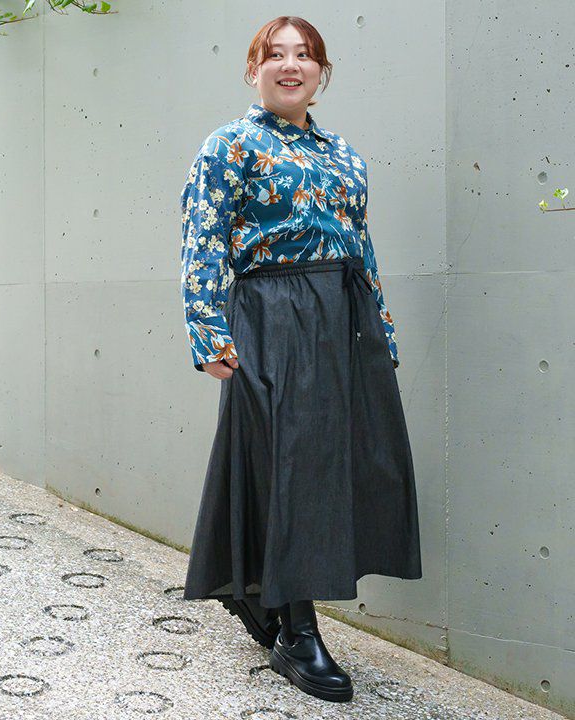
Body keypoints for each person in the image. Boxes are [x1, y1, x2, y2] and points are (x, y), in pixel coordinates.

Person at [179, 15, 422, 704]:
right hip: (270, 313)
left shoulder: (345, 155)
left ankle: (258, 590)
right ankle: (298, 630)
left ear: (322, 73)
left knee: (340, 462)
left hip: (343, 317)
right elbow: (202, 236)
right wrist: (209, 333)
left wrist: (380, 331)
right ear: (253, 70)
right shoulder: (229, 145)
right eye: (276, 55)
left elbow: (361, 246)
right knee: (288, 465)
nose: (291, 65)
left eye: (305, 55)